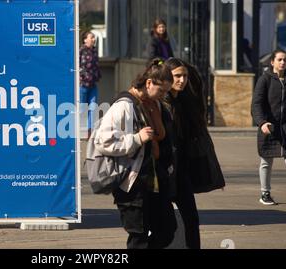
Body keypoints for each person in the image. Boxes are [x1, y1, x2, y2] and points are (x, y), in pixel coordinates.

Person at [93, 58, 176, 249]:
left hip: (154, 180)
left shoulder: (155, 104)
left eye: (166, 91)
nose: (164, 95)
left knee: (167, 229)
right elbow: (102, 140)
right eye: (161, 90)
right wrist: (136, 139)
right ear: (148, 83)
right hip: (133, 185)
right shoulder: (124, 105)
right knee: (138, 237)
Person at [162, 57, 226, 249]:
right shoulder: (161, 102)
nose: (182, 80)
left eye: (184, 76)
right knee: (161, 224)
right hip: (163, 171)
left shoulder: (185, 100)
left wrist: (190, 71)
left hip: (182, 172)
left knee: (191, 218)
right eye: (177, 76)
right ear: (166, 77)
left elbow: (197, 84)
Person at [251, 49, 286, 206]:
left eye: (285, 60)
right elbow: (256, 104)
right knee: (266, 161)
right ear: (272, 62)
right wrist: (262, 123)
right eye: (280, 59)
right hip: (269, 125)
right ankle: (265, 193)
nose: (283, 62)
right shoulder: (264, 79)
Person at [79, 31, 101, 136]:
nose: (93, 39)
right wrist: (80, 77)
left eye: (94, 37)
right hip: (83, 84)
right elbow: (76, 65)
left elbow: (96, 66)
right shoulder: (81, 51)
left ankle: (90, 132)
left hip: (93, 85)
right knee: (82, 108)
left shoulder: (94, 51)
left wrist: (98, 76)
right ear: (85, 39)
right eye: (91, 37)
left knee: (93, 108)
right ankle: (74, 130)